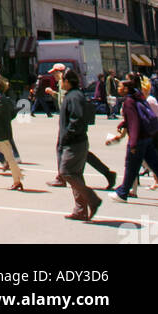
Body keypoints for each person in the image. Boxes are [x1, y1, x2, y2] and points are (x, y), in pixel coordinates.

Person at [58, 67, 101, 221]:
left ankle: (92, 199)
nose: (60, 83)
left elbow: (77, 118)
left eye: (62, 80)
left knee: (66, 172)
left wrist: (68, 135)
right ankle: (80, 209)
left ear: (67, 82)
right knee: (75, 174)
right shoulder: (72, 95)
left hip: (75, 142)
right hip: (75, 141)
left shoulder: (74, 96)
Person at [112, 75, 158, 201]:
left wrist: (132, 143)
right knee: (155, 164)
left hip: (138, 139)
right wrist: (123, 123)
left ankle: (122, 193)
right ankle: (123, 191)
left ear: (127, 89)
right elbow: (137, 116)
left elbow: (134, 123)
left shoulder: (128, 102)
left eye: (121, 86)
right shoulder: (138, 96)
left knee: (131, 166)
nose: (118, 89)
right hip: (147, 137)